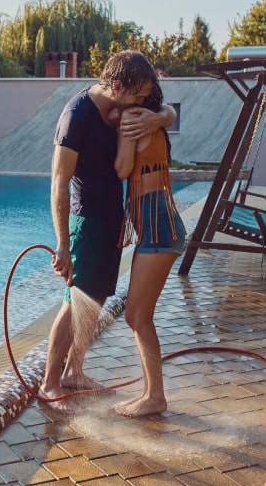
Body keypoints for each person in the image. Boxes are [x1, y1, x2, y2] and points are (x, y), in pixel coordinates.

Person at [39, 50, 176, 413]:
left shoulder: (123, 108)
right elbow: (58, 183)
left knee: (94, 301)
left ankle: (74, 371)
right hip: (86, 221)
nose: (142, 102)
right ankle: (50, 383)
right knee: (74, 303)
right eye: (137, 95)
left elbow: (166, 111)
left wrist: (160, 115)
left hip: (112, 221)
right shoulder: (77, 115)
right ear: (116, 85)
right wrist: (63, 244)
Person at [111, 82, 186, 417]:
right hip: (161, 225)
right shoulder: (155, 118)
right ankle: (150, 394)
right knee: (138, 316)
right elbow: (169, 113)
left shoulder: (131, 117)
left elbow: (123, 169)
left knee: (137, 316)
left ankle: (155, 397)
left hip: (157, 228)